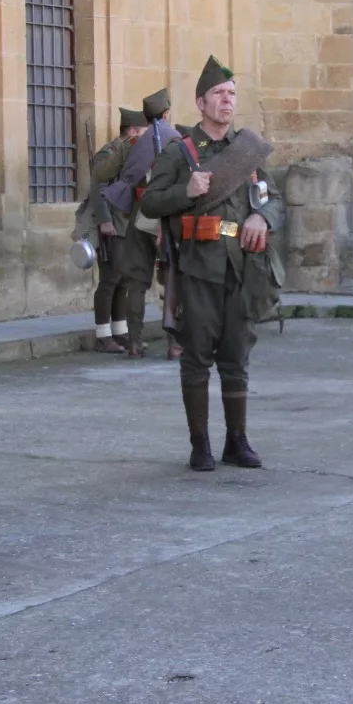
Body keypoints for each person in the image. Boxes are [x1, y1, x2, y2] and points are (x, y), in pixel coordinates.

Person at [141, 56, 284, 471]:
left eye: (232, 93)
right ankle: (200, 444)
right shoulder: (180, 152)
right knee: (197, 355)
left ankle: (237, 442)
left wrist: (262, 216)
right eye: (219, 94)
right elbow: (150, 203)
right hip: (198, 267)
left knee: (237, 355)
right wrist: (186, 191)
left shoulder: (248, 151)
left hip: (244, 267)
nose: (227, 100)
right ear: (201, 103)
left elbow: (273, 199)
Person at [105, 89, 181, 358]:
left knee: (137, 281)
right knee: (174, 278)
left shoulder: (137, 144)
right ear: (167, 114)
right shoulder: (175, 139)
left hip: (140, 213)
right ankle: (175, 343)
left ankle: (135, 342)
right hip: (167, 213)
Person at [82, 107, 144, 352]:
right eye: (142, 132)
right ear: (132, 131)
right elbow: (96, 190)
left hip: (127, 223)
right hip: (112, 224)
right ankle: (102, 335)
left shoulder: (130, 154)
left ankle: (120, 333)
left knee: (123, 279)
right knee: (109, 280)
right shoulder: (109, 153)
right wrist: (105, 220)